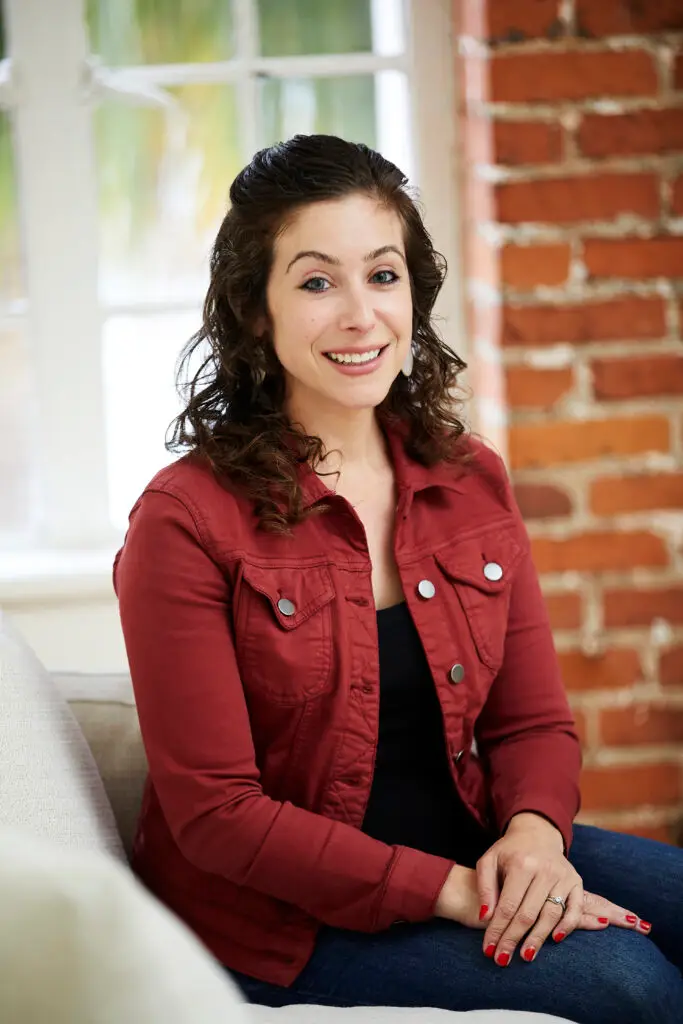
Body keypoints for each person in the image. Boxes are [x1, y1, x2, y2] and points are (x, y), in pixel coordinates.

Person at [114, 135, 683, 1023]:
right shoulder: (185, 521)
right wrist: (462, 893)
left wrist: (533, 840)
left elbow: (530, 721)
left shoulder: (467, 479)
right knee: (628, 986)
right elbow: (218, 815)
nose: (360, 315)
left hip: (471, 843)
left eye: (382, 276)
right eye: (314, 282)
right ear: (254, 312)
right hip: (279, 921)